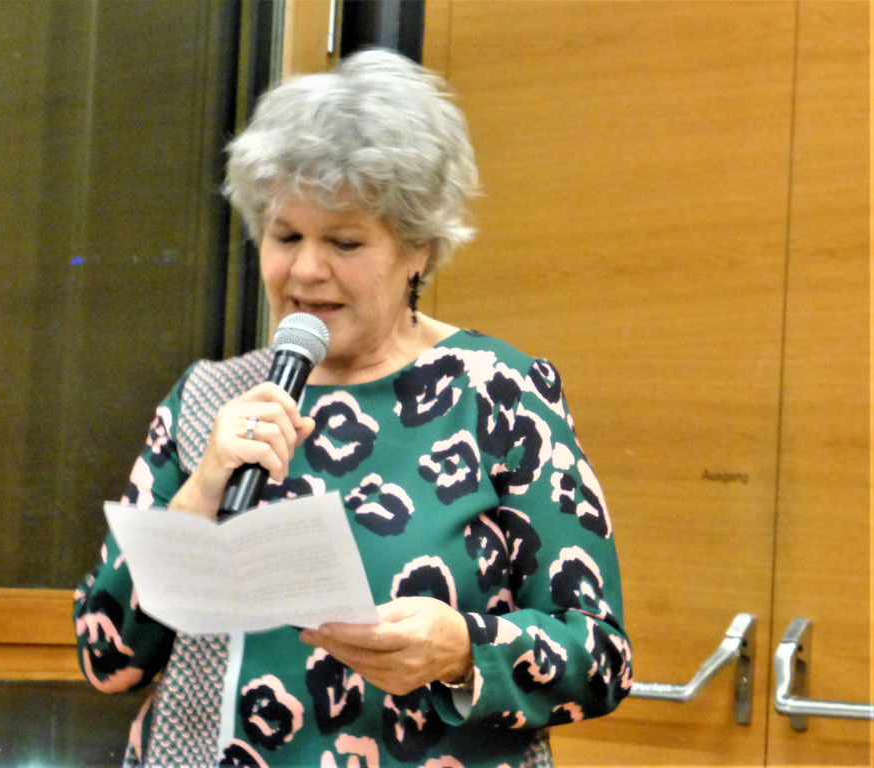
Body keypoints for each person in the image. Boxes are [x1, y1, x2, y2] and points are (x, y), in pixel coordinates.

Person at [74, 48, 632, 768]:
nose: (306, 270)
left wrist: (463, 651)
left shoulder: (497, 393)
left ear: (418, 251)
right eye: (286, 237)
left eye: (344, 242)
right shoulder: (210, 397)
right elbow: (106, 658)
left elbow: (600, 658)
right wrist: (201, 490)